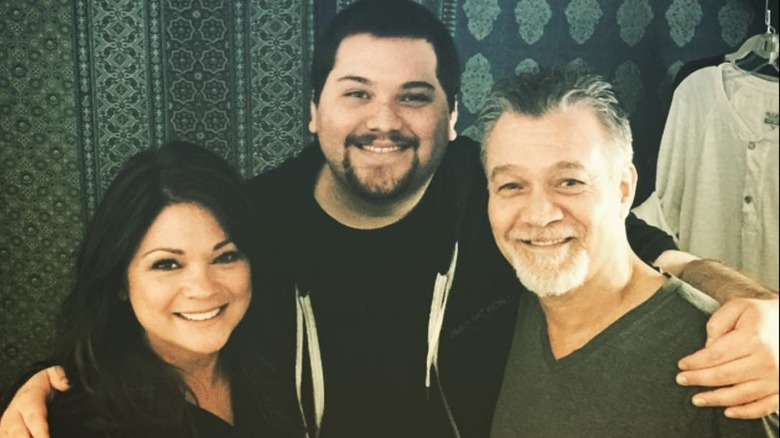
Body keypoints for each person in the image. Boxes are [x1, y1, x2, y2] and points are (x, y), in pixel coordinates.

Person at [1, 1, 778, 437]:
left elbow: (648, 253)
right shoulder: (252, 222)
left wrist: (763, 310)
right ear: (313, 111)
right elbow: (147, 290)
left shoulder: (500, 195)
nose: (385, 119)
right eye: (356, 92)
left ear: (449, 117)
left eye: (414, 95)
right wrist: (46, 389)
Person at [481, 69, 778, 437]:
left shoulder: (727, 361)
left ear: (624, 190)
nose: (539, 215)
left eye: (570, 182)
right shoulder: (507, 304)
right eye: (512, 185)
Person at [0, 142, 297, 437]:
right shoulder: (72, 422)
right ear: (120, 281)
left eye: (225, 257)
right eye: (167, 264)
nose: (203, 289)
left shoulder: (284, 361)